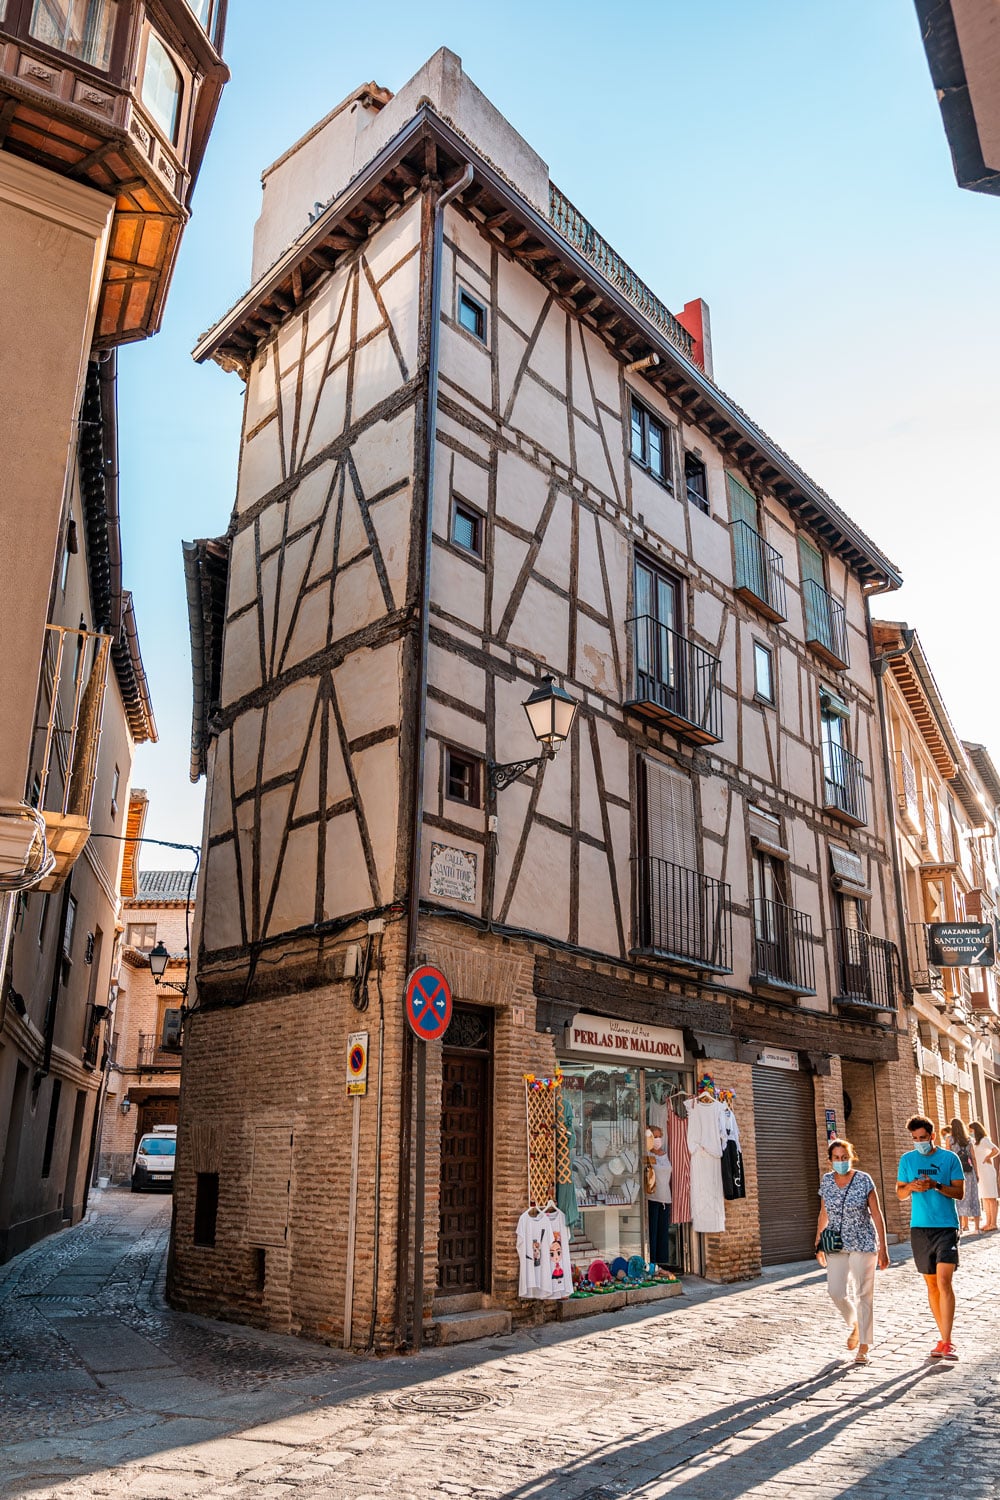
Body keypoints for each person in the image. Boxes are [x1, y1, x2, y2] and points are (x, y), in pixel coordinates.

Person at [814, 1138, 890, 1366]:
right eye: (836, 1158)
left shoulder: (864, 1180)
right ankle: (855, 1323)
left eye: (844, 1157)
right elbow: (823, 1213)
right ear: (830, 1161)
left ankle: (864, 1346)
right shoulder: (827, 1181)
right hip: (836, 1243)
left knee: (863, 1293)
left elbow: (876, 1214)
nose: (841, 1161)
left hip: (864, 1242)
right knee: (835, 1291)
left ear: (851, 1157)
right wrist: (818, 1241)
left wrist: (883, 1247)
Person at [897, 1115, 965, 1360]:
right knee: (932, 1285)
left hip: (946, 1227)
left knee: (945, 1282)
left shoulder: (949, 1158)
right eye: (914, 1139)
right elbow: (900, 1193)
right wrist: (912, 1187)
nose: (919, 1143)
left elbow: (959, 1192)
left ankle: (947, 1341)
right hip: (920, 1229)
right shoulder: (907, 1159)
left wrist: (936, 1185)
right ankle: (942, 1335)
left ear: (932, 1136)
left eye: (922, 1138)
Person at [645, 1125, 672, 1269]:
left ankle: (662, 1263)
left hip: (666, 1197)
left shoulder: (665, 1154)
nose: (657, 1139)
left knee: (663, 1232)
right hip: (653, 1198)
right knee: (653, 1232)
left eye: (659, 1136)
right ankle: (652, 1262)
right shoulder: (648, 1155)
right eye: (654, 1137)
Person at [946, 1118, 980, 1232]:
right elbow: (973, 1158)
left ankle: (960, 1227)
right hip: (970, 1172)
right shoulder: (969, 1139)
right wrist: (977, 1173)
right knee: (973, 1198)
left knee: (958, 1198)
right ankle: (977, 1227)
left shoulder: (949, 1139)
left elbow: (948, 1157)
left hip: (956, 1173)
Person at [969, 1121, 999, 1232]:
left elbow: (996, 1150)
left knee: (991, 1198)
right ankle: (988, 1222)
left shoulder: (984, 1140)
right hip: (980, 1172)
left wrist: (987, 1157)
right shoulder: (975, 1142)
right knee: (985, 1198)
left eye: (971, 1131)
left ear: (976, 1130)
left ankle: (994, 1223)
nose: (970, 1133)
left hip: (987, 1171)